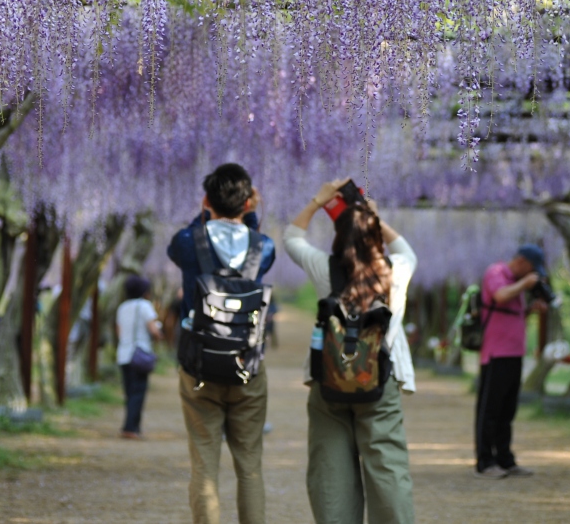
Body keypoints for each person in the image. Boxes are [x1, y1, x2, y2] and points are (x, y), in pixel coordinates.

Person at [284, 179, 417, 524]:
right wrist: (371, 215)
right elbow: (405, 249)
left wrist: (319, 201)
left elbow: (291, 239)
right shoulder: (396, 271)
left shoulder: (324, 269)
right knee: (387, 467)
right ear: (375, 235)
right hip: (379, 382)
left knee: (330, 471)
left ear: (337, 237)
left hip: (328, 380)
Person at [167, 163, 275, 524]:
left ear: (205, 200)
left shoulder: (188, 242)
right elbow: (259, 243)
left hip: (198, 367)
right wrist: (251, 216)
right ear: (247, 203)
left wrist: (205, 215)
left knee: (204, 465)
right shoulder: (263, 246)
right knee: (250, 468)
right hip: (247, 367)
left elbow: (181, 243)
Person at [474, 244, 550, 479]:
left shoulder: (516, 283)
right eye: (531, 270)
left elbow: (507, 313)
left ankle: (505, 459)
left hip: (515, 353)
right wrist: (525, 285)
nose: (531, 275)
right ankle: (485, 462)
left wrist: (529, 310)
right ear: (522, 262)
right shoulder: (496, 273)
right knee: (490, 410)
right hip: (496, 353)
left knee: (507, 410)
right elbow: (500, 295)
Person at [116, 275, 162, 439]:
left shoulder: (122, 307)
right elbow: (154, 330)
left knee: (129, 392)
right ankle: (131, 428)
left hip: (123, 354)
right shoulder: (145, 306)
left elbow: (119, 332)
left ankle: (130, 426)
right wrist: (158, 336)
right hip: (139, 354)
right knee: (138, 393)